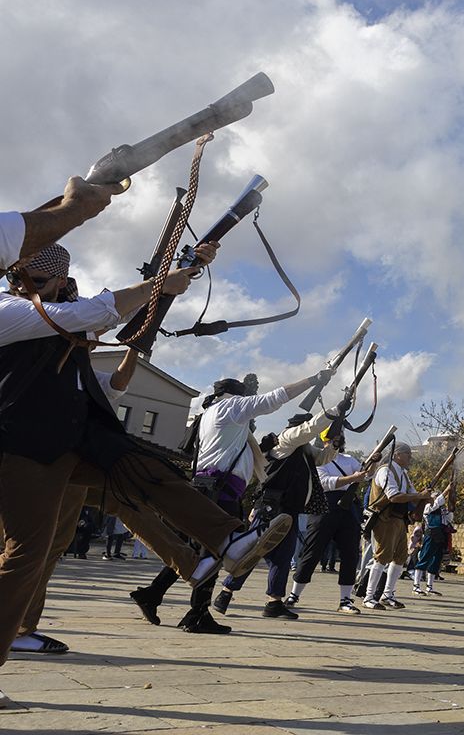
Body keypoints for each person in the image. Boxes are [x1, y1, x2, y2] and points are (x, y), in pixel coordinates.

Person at [0, 240, 290, 707]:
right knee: (26, 555)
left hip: (73, 437)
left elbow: (120, 323)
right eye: (57, 280)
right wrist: (159, 283)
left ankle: (228, 540)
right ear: (32, 279)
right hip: (23, 447)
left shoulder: (56, 313)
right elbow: (97, 313)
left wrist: (181, 271)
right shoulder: (12, 310)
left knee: (143, 472)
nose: (65, 286)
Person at [130, 366, 333, 634]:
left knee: (200, 553)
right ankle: (197, 613)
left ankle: (154, 594)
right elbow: (275, 399)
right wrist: (313, 380)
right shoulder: (231, 407)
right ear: (236, 396)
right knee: (216, 552)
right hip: (221, 492)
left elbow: (231, 452)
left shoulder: (209, 415)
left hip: (208, 487)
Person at [213, 410, 336, 619]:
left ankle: (274, 602)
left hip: (289, 509)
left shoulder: (303, 448)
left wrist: (333, 442)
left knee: (283, 557)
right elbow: (308, 430)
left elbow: (322, 457)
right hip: (272, 509)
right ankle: (225, 593)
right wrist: (333, 414)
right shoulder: (287, 440)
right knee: (253, 552)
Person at [287, 437, 371, 611]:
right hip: (324, 506)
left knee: (350, 554)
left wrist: (373, 463)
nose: (335, 443)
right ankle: (294, 595)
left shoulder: (349, 459)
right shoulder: (318, 459)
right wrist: (352, 478)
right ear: (324, 441)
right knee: (312, 551)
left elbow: (367, 475)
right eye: (331, 439)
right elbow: (326, 483)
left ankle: (345, 600)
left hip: (348, 508)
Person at [361, 443, 436, 610]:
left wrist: (425, 498)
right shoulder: (385, 471)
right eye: (407, 454)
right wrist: (419, 496)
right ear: (397, 455)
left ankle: (388, 594)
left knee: (400, 557)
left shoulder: (403, 473)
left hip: (399, 520)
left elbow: (413, 496)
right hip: (384, 519)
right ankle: (369, 596)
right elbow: (393, 496)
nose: (410, 457)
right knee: (381, 557)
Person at [412, 480, 455, 596]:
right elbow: (437, 502)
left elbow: (449, 519)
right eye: (435, 496)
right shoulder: (428, 506)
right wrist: (447, 490)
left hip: (441, 535)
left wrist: (451, 503)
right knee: (425, 558)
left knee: (436, 561)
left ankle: (429, 587)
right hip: (431, 534)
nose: (437, 498)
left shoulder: (441, 509)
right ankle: (416, 586)